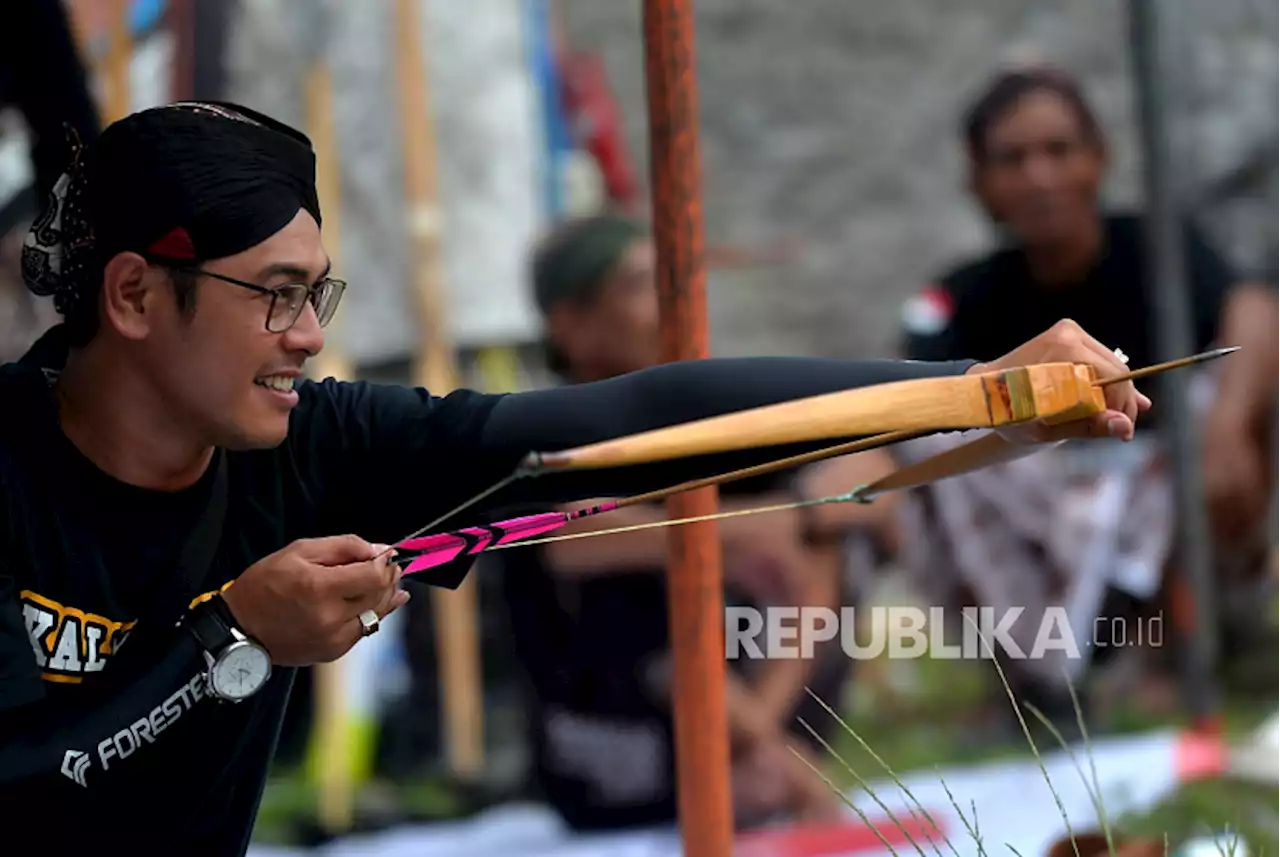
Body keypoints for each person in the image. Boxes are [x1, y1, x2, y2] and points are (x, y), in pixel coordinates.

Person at [0, 100, 1145, 855]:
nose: (306, 336)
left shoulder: (312, 445)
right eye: (275, 294)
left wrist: (971, 387)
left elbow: (629, 420)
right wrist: (232, 640)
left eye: (318, 295)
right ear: (138, 295)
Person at [895, 65, 1278, 726]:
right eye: (1013, 159)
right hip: (1035, 521)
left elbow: (1253, 310)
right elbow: (898, 402)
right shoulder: (965, 296)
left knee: (1217, 407)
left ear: (1098, 160)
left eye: (1059, 150)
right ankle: (1034, 680)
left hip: (1159, 509)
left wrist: (1227, 425)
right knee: (929, 450)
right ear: (979, 183)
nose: (1040, 177)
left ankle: (1174, 655)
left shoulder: (1156, 250)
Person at [497, 214, 907, 830]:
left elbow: (865, 488)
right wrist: (745, 527)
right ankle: (781, 775)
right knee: (636, 582)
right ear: (572, 327)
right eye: (640, 285)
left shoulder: (706, 413)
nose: (673, 302)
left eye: (676, 279)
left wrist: (823, 501)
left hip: (754, 734)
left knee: (824, 534)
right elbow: (563, 540)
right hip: (620, 763)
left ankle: (769, 758)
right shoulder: (538, 429)